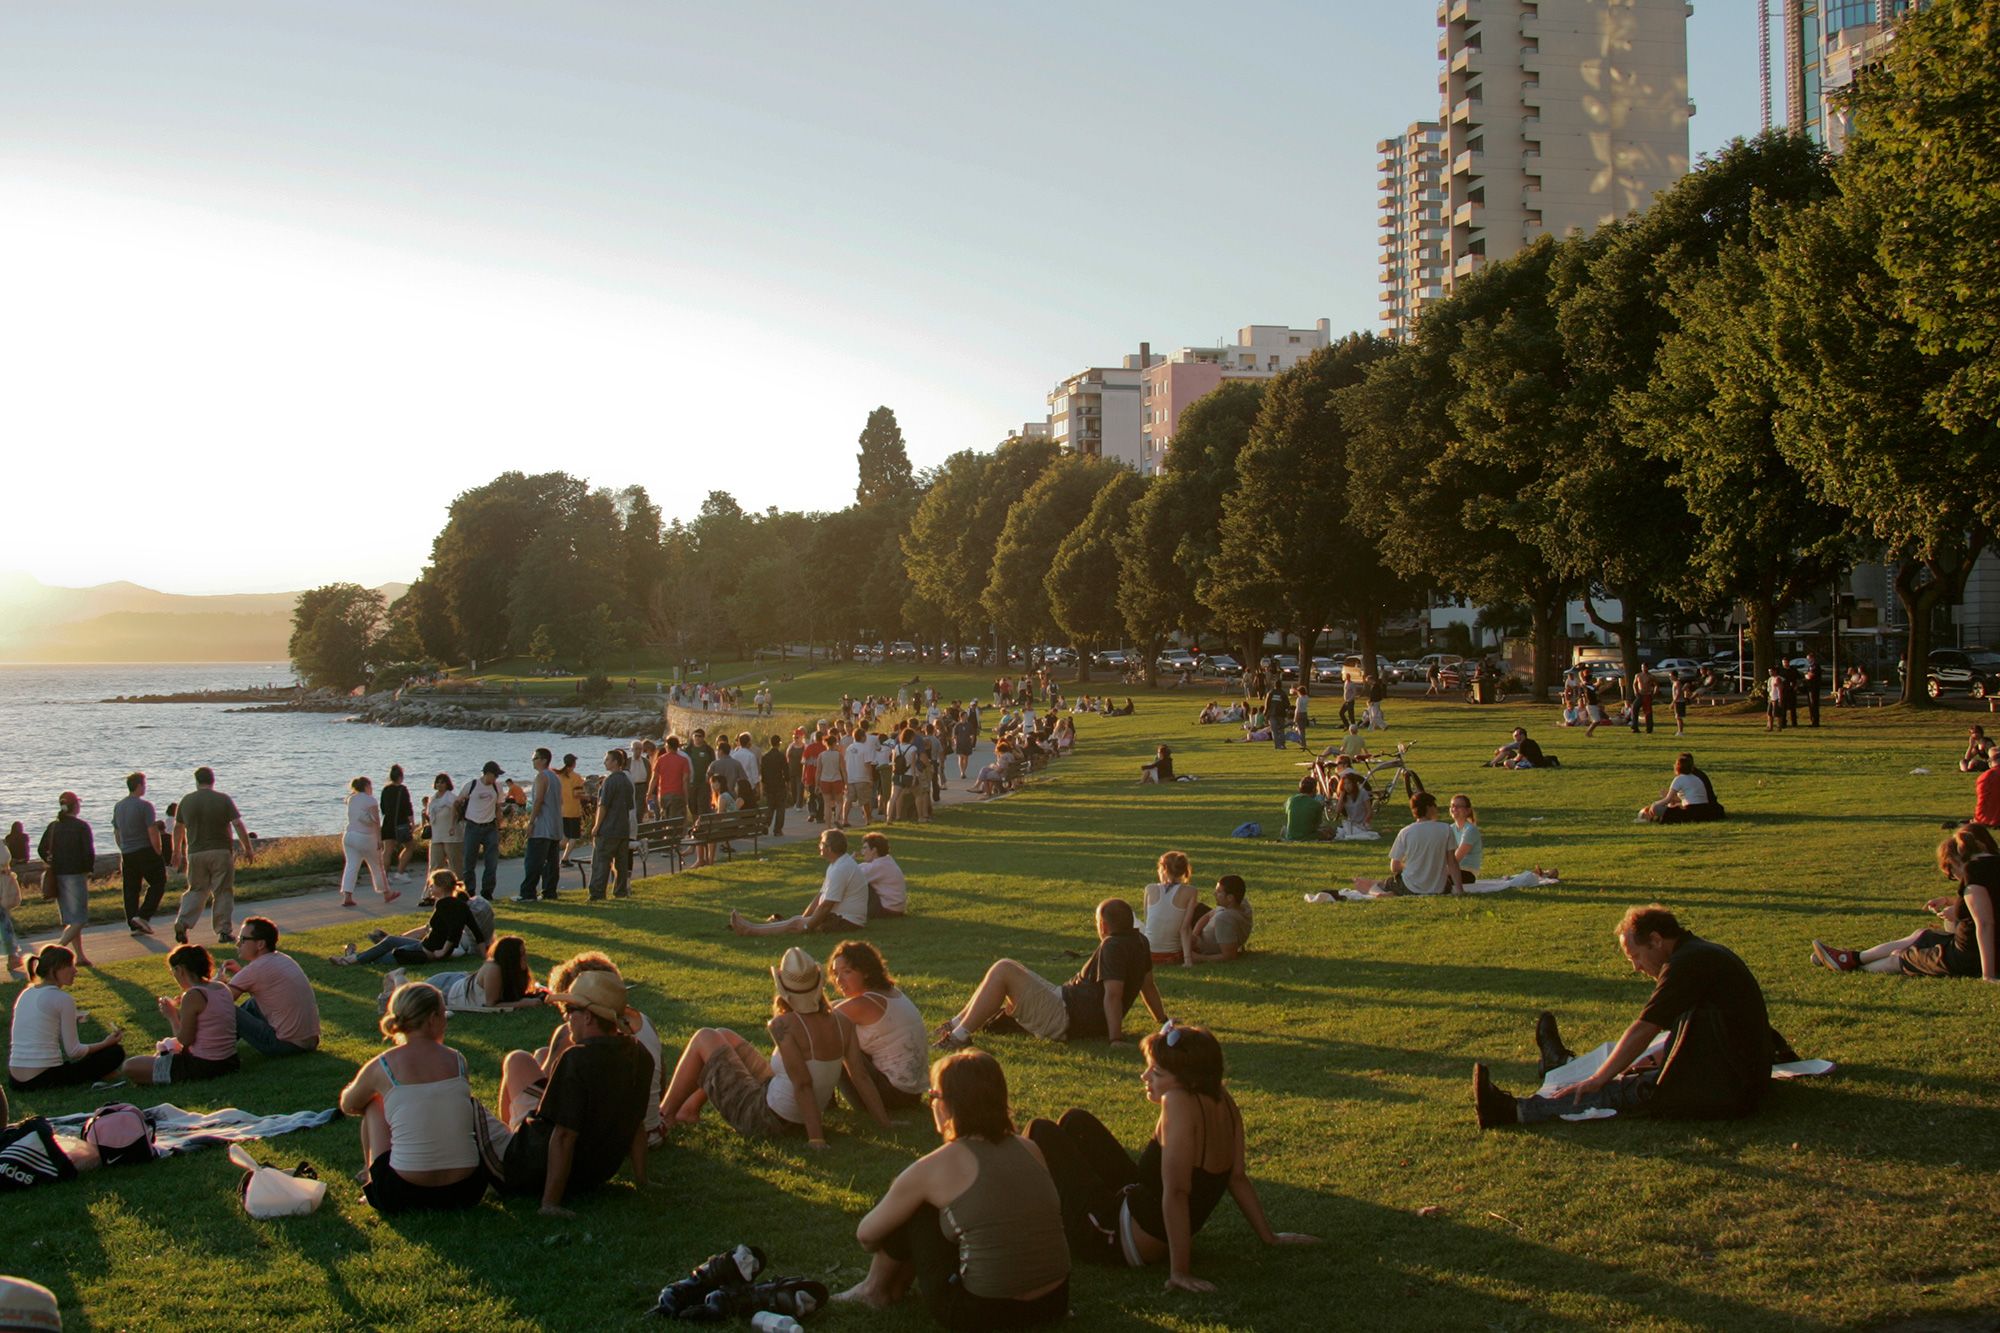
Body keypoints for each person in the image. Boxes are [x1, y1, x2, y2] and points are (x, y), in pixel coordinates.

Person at [1027, 1023, 1316, 1291]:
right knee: (1075, 1122)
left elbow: (1177, 1192)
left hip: (1118, 1238)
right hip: (1140, 1207)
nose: (1144, 1077)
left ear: (1187, 1081)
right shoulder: (1222, 1099)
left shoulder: (1176, 1102)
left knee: (1040, 1131)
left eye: (1157, 1073)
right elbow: (1236, 1177)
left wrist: (1180, 1272)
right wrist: (1269, 1236)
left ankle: (1020, 1227)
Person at [1473, 906, 1776, 1128]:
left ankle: (1512, 1111)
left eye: (1636, 957)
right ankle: (1560, 1066)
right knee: (1627, 1070)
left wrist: (1597, 1079)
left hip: (1727, 1088)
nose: (1636, 968)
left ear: (1656, 940)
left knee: (1615, 1089)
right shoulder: (1699, 953)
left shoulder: (1686, 964)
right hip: (1736, 1073)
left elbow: (1645, 1027)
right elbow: (1689, 1028)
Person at [835, 1050, 1071, 1328]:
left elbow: (866, 1236)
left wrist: (902, 1244)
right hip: (1054, 1301)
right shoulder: (1030, 1148)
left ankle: (873, 1290)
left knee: (920, 1208)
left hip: (985, 1313)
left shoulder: (935, 1167)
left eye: (933, 1096)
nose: (932, 1104)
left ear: (948, 1104)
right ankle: (886, 1287)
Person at [658, 947, 892, 1144]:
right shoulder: (842, 1022)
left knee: (705, 1036)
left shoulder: (783, 1025)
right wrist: (884, 1122)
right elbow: (860, 1076)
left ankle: (662, 1117)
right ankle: (688, 1110)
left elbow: (803, 1084)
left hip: (768, 1119)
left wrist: (816, 1140)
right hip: (790, 1109)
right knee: (724, 1036)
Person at [483, 969, 653, 1215]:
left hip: (531, 1163)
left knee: (477, 1097)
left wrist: (550, 1203)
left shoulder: (577, 1059)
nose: (566, 1019)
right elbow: (637, 1122)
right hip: (594, 1173)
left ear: (587, 1017)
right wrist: (642, 1180)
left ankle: (506, 1141)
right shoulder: (640, 1055)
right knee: (536, 1057)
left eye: (570, 1011)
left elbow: (563, 1135)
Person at [933, 900, 1168, 1049]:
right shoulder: (1140, 941)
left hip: (1067, 1017)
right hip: (1067, 1005)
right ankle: (955, 1026)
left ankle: (959, 1035)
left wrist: (1115, 1039)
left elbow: (1114, 994)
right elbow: (1148, 986)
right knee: (1007, 969)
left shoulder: (1112, 946)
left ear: (1103, 926)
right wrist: (1162, 1020)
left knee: (1004, 969)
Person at [339, 980, 489, 1213]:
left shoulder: (384, 1066)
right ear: (432, 1019)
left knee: (373, 1103)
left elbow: (349, 1104)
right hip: (468, 1189)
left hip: (403, 1194)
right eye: (443, 1014)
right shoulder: (457, 1060)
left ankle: (371, 1178)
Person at [1811, 825, 1999, 980]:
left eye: (1951, 874)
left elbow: (1985, 923)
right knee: (1922, 935)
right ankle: (1849, 959)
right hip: (1967, 946)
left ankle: (1852, 967)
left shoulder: (1974, 873)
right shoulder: (1992, 865)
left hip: (1966, 956)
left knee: (1898, 958)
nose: (1955, 879)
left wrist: (1987, 975)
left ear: (1957, 861)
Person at [535, 952, 668, 1148]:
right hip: (651, 1128)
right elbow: (661, 1077)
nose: (567, 1015)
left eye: (569, 1008)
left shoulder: (572, 1035)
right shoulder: (643, 1022)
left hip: (607, 1138)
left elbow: (545, 1094)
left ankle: (513, 1136)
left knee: (519, 1061)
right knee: (542, 1053)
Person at [7, 945, 126, 1090]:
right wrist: (106, 1043)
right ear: (54, 969)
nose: (75, 970)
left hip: (15, 1080)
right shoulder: (62, 998)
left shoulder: (26, 993)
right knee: (114, 1052)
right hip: (41, 1078)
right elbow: (74, 1051)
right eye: (70, 965)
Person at [119, 944, 240, 1086]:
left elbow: (185, 1040)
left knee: (130, 1066)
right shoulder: (221, 987)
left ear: (180, 970)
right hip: (230, 1060)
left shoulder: (193, 995)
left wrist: (171, 1016)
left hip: (204, 1065)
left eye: (173, 971)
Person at [829, 939, 929, 1110]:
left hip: (890, 1096)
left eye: (847, 972)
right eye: (835, 973)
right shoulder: (890, 993)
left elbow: (816, 1023)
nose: (839, 980)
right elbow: (833, 1007)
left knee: (827, 1040)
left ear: (866, 972)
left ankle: (823, 1103)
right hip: (913, 1094)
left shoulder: (863, 1004)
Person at [171, 765, 256, 946]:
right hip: (220, 851)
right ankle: (223, 931)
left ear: (196, 781)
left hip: (195, 853)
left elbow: (178, 828)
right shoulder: (222, 799)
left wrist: (176, 851)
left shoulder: (186, 801)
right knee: (222, 891)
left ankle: (183, 921)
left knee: (196, 889)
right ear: (213, 780)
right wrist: (247, 848)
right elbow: (237, 824)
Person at [729, 828, 870, 936]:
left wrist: (807, 927)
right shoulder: (837, 864)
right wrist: (804, 919)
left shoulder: (841, 868)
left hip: (846, 922)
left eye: (821, 843)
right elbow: (820, 897)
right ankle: (749, 927)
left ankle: (749, 930)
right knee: (796, 921)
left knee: (795, 924)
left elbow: (826, 905)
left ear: (829, 848)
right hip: (841, 918)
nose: (819, 846)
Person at [334, 871, 490, 968]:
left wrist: (442, 953)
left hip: (426, 952)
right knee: (389, 941)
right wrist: (484, 957)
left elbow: (454, 932)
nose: (430, 889)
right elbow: (477, 933)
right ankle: (352, 958)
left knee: (384, 957)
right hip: (424, 946)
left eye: (432, 886)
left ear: (441, 887)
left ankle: (350, 959)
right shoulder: (461, 905)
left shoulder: (444, 904)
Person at [221, 917, 320, 1057]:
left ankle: (210, 1048)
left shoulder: (256, 969)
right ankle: (219, 1044)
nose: (237, 944)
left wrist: (214, 984)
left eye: (243, 939)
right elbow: (265, 990)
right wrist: (240, 973)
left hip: (284, 1045)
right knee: (253, 1004)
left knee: (227, 1008)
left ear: (260, 944)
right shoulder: (282, 959)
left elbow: (218, 1001)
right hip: (310, 1042)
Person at [1350, 792, 1459, 896]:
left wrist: (1414, 867)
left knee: (1382, 884)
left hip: (1410, 887)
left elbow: (1395, 867)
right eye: (1434, 806)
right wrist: (1460, 889)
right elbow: (1452, 862)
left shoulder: (1406, 832)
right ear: (1429, 808)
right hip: (1438, 888)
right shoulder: (1446, 829)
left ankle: (1375, 889)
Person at [1447, 795, 1556, 890]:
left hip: (1467, 872)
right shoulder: (1450, 829)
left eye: (1458, 806)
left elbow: (1456, 858)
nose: (1454, 808)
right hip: (1453, 870)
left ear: (1467, 810)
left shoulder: (1470, 830)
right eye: (1452, 806)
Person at [37, 792, 96, 966]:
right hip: (76, 874)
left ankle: (80, 956)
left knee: (71, 918)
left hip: (58, 874)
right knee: (80, 918)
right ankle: (53, 952)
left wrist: (51, 860)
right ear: (75, 806)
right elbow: (88, 852)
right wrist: (89, 870)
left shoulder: (54, 826)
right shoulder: (81, 826)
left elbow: (42, 848)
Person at [423, 935, 547, 1013]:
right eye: (521, 954)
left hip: (463, 979)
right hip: (445, 988)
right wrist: (522, 1004)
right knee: (411, 995)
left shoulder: (514, 970)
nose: (525, 957)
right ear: (511, 957)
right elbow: (491, 1005)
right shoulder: (494, 968)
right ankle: (402, 978)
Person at [112, 771, 167, 936]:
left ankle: (133, 922)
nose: (145, 787)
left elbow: (117, 831)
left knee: (131, 889)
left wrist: (122, 848)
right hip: (144, 850)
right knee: (158, 882)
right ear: (139, 786)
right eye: (144, 784)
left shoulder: (119, 806)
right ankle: (143, 916)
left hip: (127, 852)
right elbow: (152, 830)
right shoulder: (145, 806)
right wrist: (158, 851)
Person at [338, 776, 395, 908]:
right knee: (377, 866)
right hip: (365, 837)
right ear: (366, 786)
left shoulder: (351, 798)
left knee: (351, 865)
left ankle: (347, 896)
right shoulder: (370, 800)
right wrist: (379, 840)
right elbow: (375, 821)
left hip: (349, 836)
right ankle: (386, 892)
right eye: (370, 786)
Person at [590, 748, 635, 901]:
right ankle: (620, 891)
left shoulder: (609, 781)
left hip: (608, 829)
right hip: (623, 828)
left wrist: (596, 826)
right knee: (621, 864)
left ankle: (597, 893)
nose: (605, 762)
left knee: (601, 862)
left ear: (615, 762)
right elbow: (630, 806)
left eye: (608, 759)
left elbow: (603, 806)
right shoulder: (627, 781)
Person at [519, 748, 564, 902]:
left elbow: (538, 800)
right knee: (551, 863)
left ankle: (528, 893)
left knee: (533, 861)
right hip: (555, 825)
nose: (533, 760)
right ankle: (550, 892)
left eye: (535, 757)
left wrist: (531, 822)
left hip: (542, 826)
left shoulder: (542, 777)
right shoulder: (555, 777)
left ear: (543, 760)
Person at [1140, 852, 1199, 966]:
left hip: (1148, 954)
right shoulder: (1191, 891)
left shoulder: (1150, 888)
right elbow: (1185, 928)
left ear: (1164, 868)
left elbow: (1148, 922)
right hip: (1173, 956)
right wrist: (1187, 960)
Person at [460, 761, 506, 899]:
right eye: (495, 775)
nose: (496, 778)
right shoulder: (472, 785)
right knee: (469, 862)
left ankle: (487, 892)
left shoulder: (497, 787)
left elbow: (498, 807)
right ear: (487, 773)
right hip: (473, 826)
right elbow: (458, 801)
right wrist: (458, 819)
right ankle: (469, 891)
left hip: (490, 827)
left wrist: (500, 824)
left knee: (491, 863)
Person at [1637, 752, 1724, 824]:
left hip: (1691, 812)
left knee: (1657, 808)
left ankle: (1650, 818)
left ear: (1677, 767)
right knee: (1672, 805)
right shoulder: (1696, 778)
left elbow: (1667, 799)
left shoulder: (1679, 779)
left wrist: (1654, 804)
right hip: (1705, 811)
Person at [858, 831, 908, 919]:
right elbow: (864, 867)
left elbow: (853, 875)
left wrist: (847, 863)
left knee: (858, 884)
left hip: (888, 909)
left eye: (865, 848)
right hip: (896, 907)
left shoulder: (879, 866)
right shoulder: (886, 861)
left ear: (874, 850)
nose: (863, 852)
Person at [380, 764, 417, 878]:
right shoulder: (403, 789)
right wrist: (412, 823)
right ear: (401, 777)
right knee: (410, 847)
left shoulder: (385, 789)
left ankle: (384, 877)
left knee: (387, 851)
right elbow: (408, 807)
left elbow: (383, 808)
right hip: (401, 824)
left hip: (387, 823)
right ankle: (400, 872)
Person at [426, 773, 464, 879]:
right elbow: (429, 815)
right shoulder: (433, 799)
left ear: (447, 784)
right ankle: (431, 892)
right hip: (436, 836)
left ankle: (459, 891)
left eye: (442, 782)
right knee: (434, 866)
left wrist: (452, 825)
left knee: (455, 866)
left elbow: (457, 814)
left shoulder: (451, 798)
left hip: (451, 836)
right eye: (438, 782)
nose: (439, 784)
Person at [650, 737, 692, 821]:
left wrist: (649, 793)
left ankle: (667, 833)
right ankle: (674, 834)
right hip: (678, 794)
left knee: (666, 819)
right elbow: (685, 781)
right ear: (677, 747)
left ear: (667, 746)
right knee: (677, 821)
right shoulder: (683, 761)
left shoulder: (660, 760)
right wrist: (687, 797)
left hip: (663, 795)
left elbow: (654, 778)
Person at [1281, 777, 1327, 842]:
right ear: (1314, 789)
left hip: (1291, 835)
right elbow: (1317, 824)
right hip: (1307, 836)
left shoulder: (1290, 800)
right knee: (1328, 831)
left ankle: (1286, 832)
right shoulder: (1315, 804)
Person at [761, 735, 790, 837]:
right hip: (779, 785)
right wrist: (787, 782)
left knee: (770, 807)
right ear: (779, 743)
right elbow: (786, 772)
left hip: (769, 785)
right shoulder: (781, 756)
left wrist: (764, 785)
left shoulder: (765, 757)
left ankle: (765, 824)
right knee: (780, 808)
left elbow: (763, 773)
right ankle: (777, 830)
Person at [1487, 727, 1551, 770]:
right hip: (1535, 761)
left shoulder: (1522, 744)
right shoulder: (1531, 741)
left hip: (1531, 762)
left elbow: (1518, 757)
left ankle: (1491, 764)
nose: (1514, 738)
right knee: (1508, 753)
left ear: (1522, 735)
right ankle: (1493, 763)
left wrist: (1511, 761)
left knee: (1507, 762)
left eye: (1515, 736)